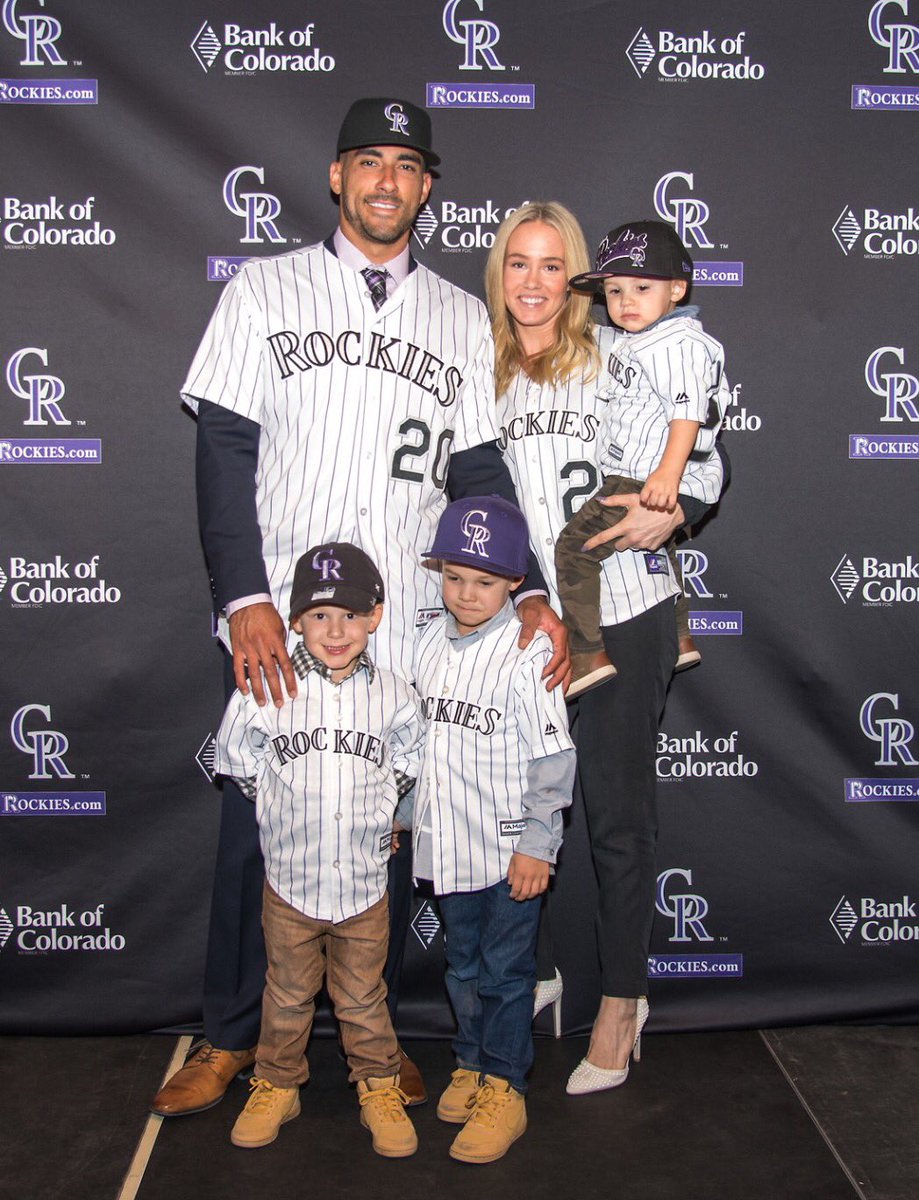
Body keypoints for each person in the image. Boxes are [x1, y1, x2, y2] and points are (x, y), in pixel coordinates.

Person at [153, 97, 567, 1117]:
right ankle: (229, 1035)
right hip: (286, 622)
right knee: (260, 830)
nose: (387, 180)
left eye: (407, 165)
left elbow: (476, 469)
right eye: (369, 161)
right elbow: (224, 450)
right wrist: (245, 594)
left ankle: (372, 1040)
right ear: (338, 176)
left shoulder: (460, 317)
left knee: (381, 827)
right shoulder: (263, 289)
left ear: (428, 188)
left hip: (411, 631)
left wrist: (533, 593)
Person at [485, 202, 726, 1094]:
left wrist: (671, 511)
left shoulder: (618, 355)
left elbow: (705, 462)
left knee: (616, 825)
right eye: (519, 264)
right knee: (514, 811)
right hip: (529, 617)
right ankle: (532, 976)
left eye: (553, 266)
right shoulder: (484, 373)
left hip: (627, 608)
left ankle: (623, 1004)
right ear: (500, 274)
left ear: (577, 277)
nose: (535, 283)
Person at [213, 543, 423, 1155]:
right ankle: (278, 1082)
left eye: (351, 616)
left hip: (362, 884)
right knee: (285, 993)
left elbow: (408, 762)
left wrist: (386, 811)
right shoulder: (265, 689)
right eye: (321, 616)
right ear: (296, 619)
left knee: (363, 996)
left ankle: (378, 1085)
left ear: (376, 618)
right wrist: (280, 810)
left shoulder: (395, 694)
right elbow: (239, 761)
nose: (337, 631)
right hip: (291, 880)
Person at [405, 496, 575, 1162]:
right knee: (462, 967)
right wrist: (401, 813)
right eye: (453, 576)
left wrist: (539, 843)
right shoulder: (425, 642)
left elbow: (553, 757)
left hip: (508, 852)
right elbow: (416, 745)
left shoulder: (526, 649)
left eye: (482, 580)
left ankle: (505, 1086)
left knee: (505, 975)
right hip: (446, 842)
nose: (465, 592)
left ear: (513, 584)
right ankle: (471, 1062)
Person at [556, 220, 729, 697]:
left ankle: (587, 654)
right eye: (613, 290)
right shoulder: (653, 339)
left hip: (639, 476)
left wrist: (669, 478)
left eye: (641, 287)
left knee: (574, 549)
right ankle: (681, 634)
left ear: (677, 288)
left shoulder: (674, 343)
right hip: (645, 473)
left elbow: (689, 413)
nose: (625, 301)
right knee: (664, 549)